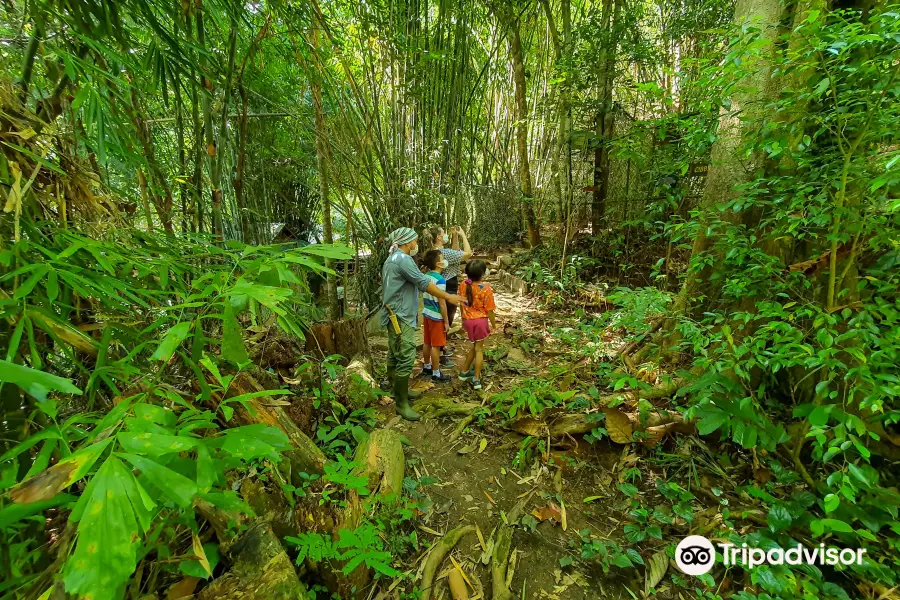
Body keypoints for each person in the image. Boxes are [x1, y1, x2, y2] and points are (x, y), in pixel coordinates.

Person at [382, 227, 464, 420]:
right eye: (414, 241)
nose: (415, 244)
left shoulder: (392, 259)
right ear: (406, 242)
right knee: (407, 354)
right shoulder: (402, 259)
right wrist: (448, 297)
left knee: (395, 352)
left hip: (395, 312)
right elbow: (423, 283)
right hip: (400, 315)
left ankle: (397, 391)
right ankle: (401, 403)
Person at [428, 225, 472, 365]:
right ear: (439, 237)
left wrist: (455, 236)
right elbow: (467, 253)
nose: (445, 234)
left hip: (441, 285)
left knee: (441, 320)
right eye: (444, 233)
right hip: (448, 286)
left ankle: (441, 348)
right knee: (445, 322)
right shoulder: (443, 253)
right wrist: (463, 235)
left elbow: (454, 252)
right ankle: (440, 355)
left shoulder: (436, 252)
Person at [457, 260, 496, 391]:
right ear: (482, 274)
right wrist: (494, 325)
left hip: (468, 320)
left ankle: (464, 372)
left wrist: (463, 319)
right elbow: (490, 310)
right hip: (480, 321)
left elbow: (461, 304)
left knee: (474, 347)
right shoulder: (486, 289)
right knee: (479, 349)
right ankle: (476, 379)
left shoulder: (463, 284)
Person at [419, 249, 451, 382]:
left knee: (427, 342)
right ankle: (436, 372)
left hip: (426, 312)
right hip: (437, 316)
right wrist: (446, 321)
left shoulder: (426, 276)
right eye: (443, 258)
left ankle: (427, 366)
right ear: (439, 264)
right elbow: (442, 303)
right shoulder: (440, 280)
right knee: (436, 345)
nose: (445, 261)